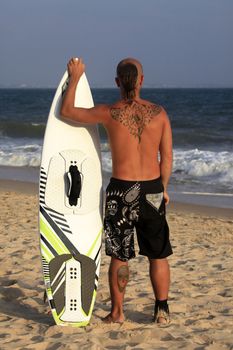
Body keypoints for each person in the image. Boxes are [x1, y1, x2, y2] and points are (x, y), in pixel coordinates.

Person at [60, 57, 173, 325]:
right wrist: (163, 188)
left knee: (119, 255)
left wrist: (75, 76)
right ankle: (162, 311)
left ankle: (118, 313)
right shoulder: (160, 114)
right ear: (142, 81)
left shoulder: (108, 113)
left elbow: (67, 111)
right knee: (157, 254)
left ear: (117, 82)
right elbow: (166, 157)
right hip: (152, 190)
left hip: (121, 191)